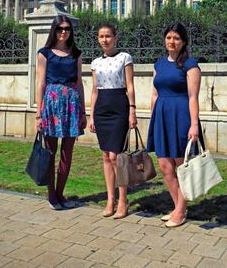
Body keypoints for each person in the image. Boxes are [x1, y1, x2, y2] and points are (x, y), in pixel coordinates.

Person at [147, 22, 205, 228]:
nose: (172, 41)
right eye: (169, 37)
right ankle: (178, 206)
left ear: (183, 41)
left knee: (182, 166)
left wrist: (194, 125)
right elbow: (154, 94)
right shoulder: (159, 64)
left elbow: (193, 97)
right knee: (165, 166)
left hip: (181, 118)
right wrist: (153, 119)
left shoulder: (190, 64)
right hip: (161, 118)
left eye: (177, 38)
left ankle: (180, 211)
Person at [36, 15, 87, 210]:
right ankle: (51, 195)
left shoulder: (76, 53)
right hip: (51, 104)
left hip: (72, 106)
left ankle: (60, 193)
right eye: (59, 28)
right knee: (50, 151)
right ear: (54, 30)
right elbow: (41, 83)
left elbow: (80, 83)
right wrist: (38, 114)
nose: (63, 31)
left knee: (67, 153)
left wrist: (83, 111)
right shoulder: (45, 53)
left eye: (66, 28)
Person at [89, 22, 137, 219]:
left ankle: (123, 200)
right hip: (101, 108)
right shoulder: (95, 63)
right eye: (101, 36)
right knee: (105, 156)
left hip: (119, 106)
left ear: (115, 37)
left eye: (108, 36)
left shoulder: (125, 58)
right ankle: (111, 199)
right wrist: (91, 115)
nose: (105, 40)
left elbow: (130, 86)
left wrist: (132, 110)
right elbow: (94, 90)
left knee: (117, 157)